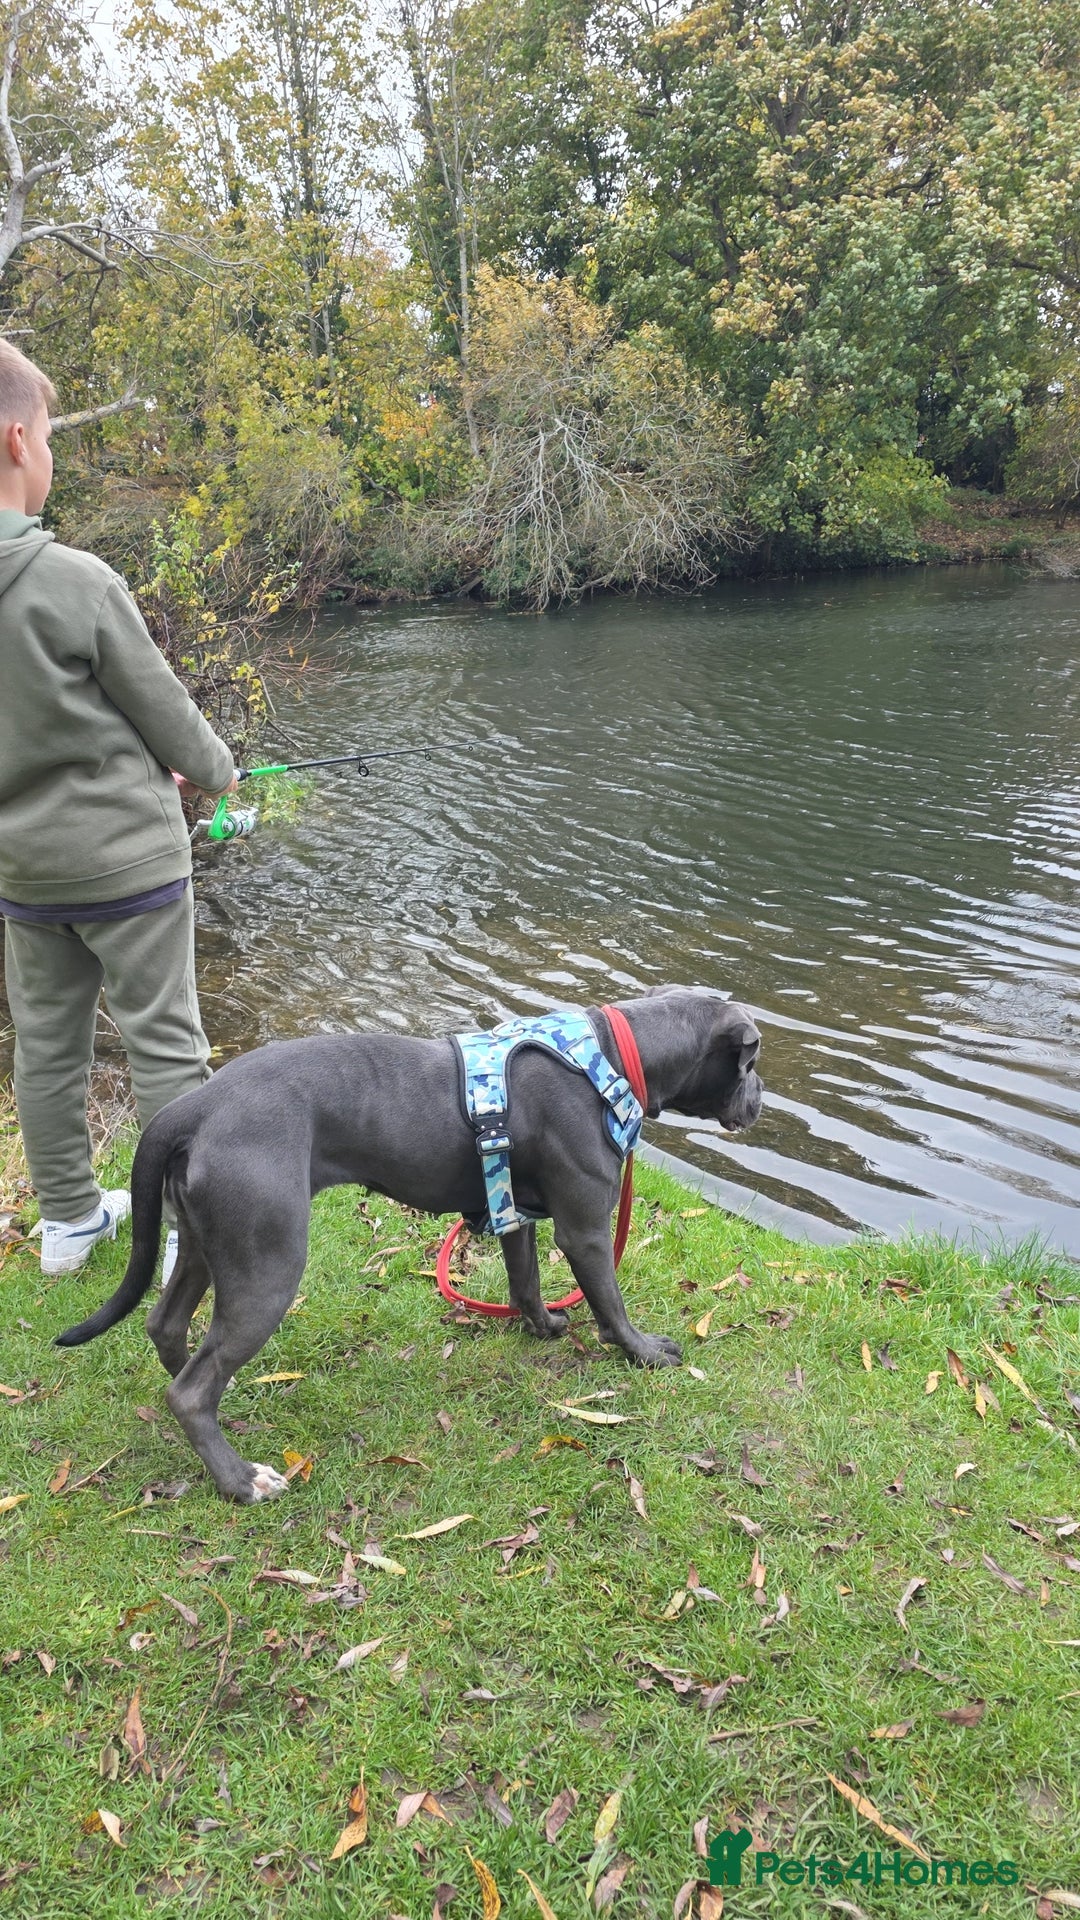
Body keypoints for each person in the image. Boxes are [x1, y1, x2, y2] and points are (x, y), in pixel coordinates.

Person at [0, 341, 236, 1280]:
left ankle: (66, 1223)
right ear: (19, 440)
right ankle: (189, 1226)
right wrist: (212, 770)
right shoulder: (77, 582)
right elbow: (169, 714)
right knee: (165, 1040)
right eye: (50, 436)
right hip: (130, 870)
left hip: (23, 875)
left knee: (48, 1047)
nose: (51, 453)